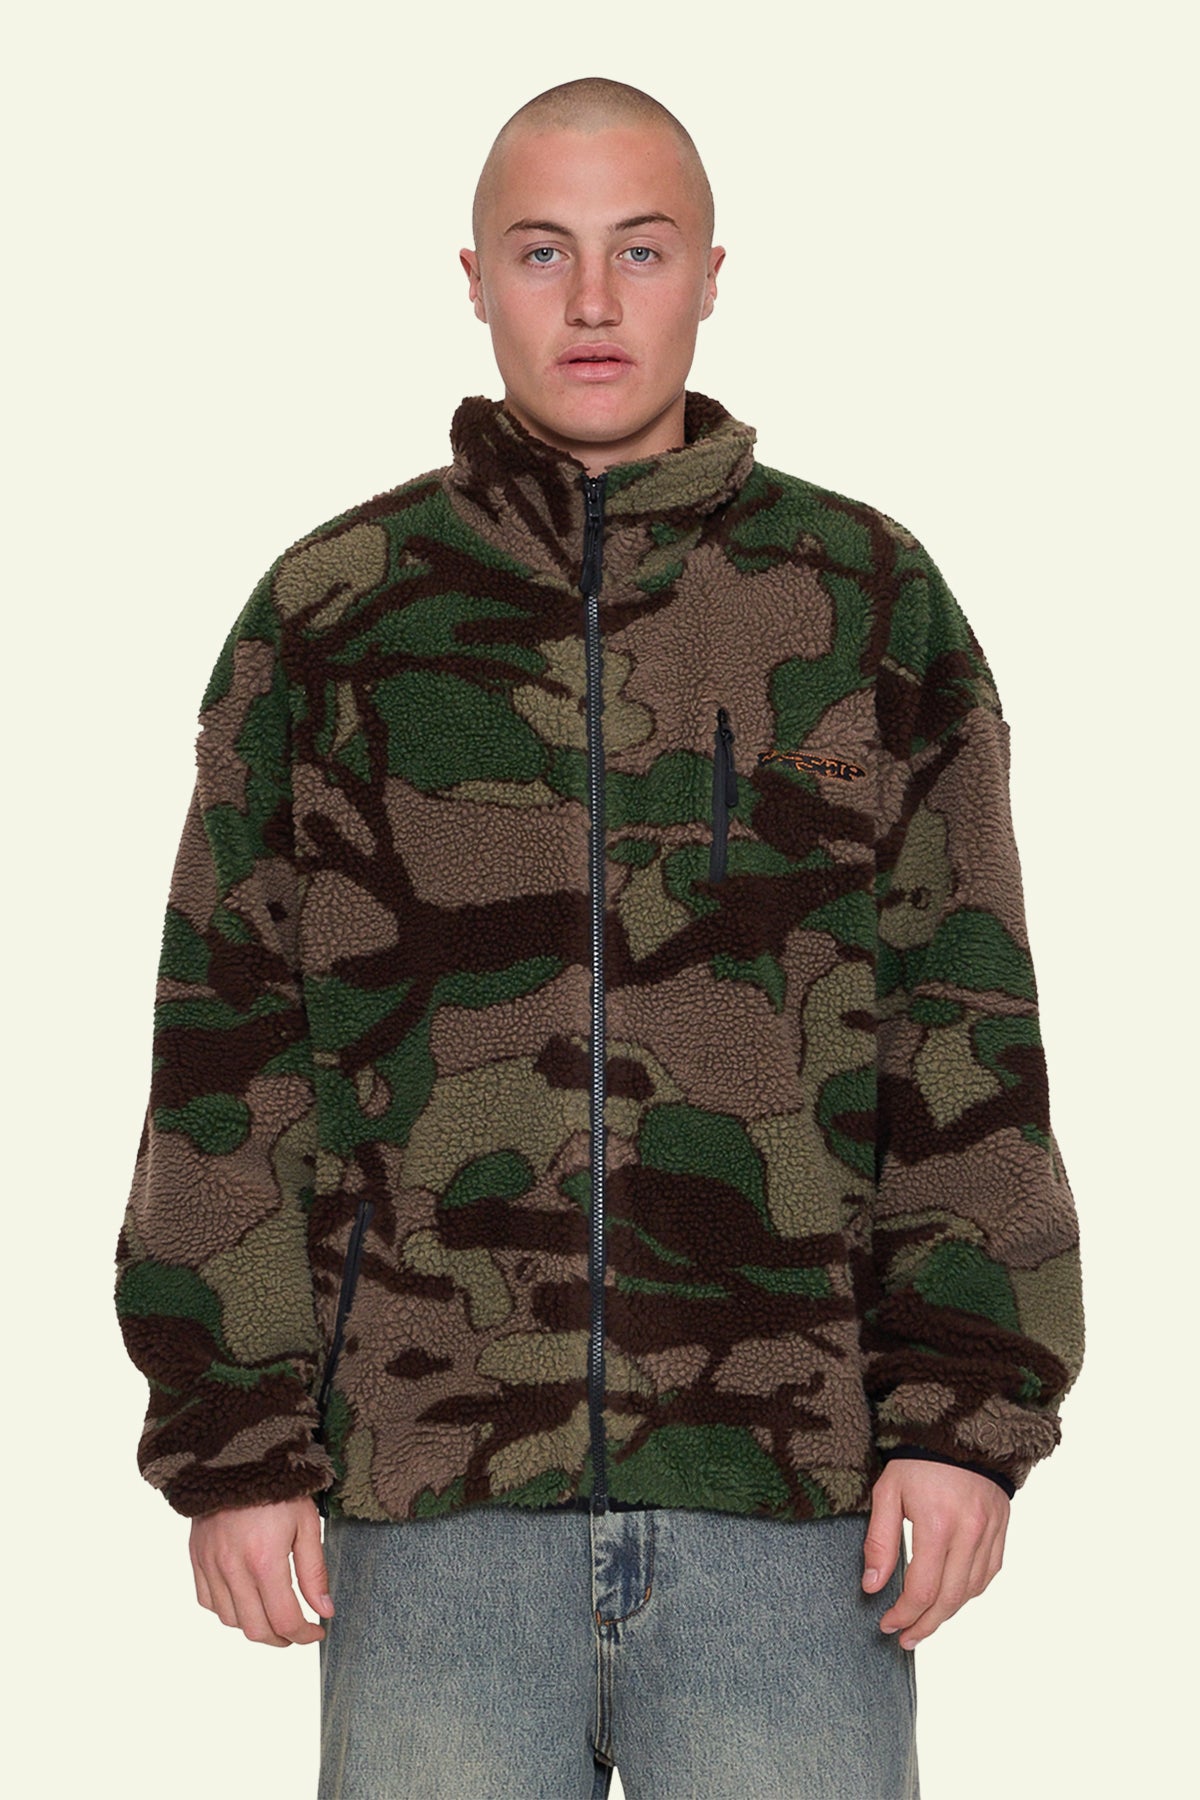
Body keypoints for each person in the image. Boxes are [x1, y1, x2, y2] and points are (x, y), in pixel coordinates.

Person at [114, 75, 1086, 1799]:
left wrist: (964, 1417)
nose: (589, 300)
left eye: (639, 250)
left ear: (711, 273)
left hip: (792, 1493)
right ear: (473, 277)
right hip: (429, 1489)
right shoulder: (332, 616)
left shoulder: (865, 598)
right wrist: (232, 1435)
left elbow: (962, 1016)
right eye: (541, 250)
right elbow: (231, 1030)